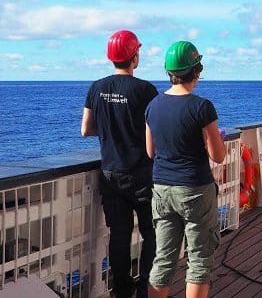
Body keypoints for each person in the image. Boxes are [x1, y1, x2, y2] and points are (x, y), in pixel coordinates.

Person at [144, 41, 226, 298]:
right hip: (195, 190)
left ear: (169, 72)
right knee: (199, 260)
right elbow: (219, 155)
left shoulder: (153, 105)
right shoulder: (202, 107)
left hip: (162, 191)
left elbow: (150, 152)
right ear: (196, 71)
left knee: (163, 260)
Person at [81, 30, 158, 298]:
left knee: (119, 236)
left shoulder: (96, 88)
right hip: (142, 175)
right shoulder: (146, 90)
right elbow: (155, 132)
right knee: (152, 233)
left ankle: (121, 291)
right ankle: (145, 289)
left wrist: (110, 128)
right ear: (134, 56)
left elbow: (86, 129)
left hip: (111, 174)